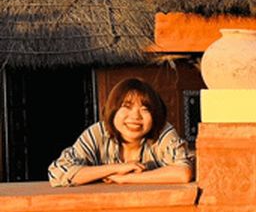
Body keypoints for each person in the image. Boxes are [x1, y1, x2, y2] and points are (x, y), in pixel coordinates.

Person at [48, 78, 193, 187]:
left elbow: (183, 172)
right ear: (113, 110)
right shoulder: (99, 133)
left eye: (145, 109)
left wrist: (125, 178)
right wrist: (117, 168)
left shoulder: (163, 132)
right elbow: (59, 172)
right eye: (127, 107)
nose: (135, 117)